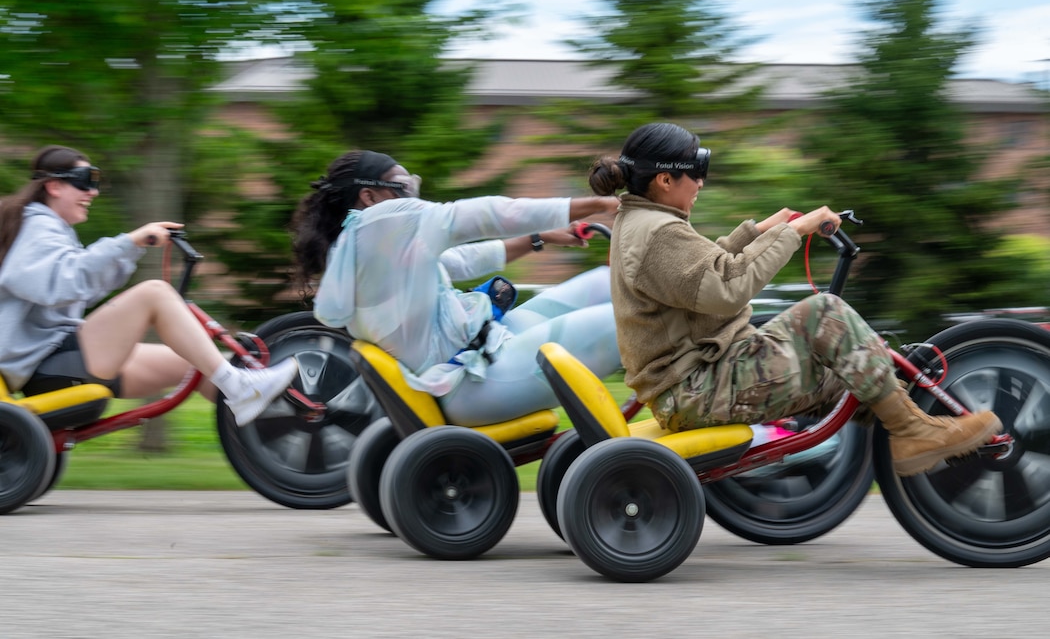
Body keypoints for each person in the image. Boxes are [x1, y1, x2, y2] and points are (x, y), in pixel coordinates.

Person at [588, 122, 1001, 476]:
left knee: (852, 374)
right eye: (696, 172)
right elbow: (727, 287)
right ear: (664, 180)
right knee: (825, 314)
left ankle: (922, 432)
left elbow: (700, 270)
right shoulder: (659, 233)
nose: (700, 183)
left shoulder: (643, 221)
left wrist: (760, 231)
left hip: (697, 383)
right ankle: (916, 434)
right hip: (697, 389)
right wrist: (794, 231)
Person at [290, 149, 622, 427]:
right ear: (369, 195)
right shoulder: (384, 220)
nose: (412, 194)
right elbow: (489, 214)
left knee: (606, 283)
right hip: (476, 382)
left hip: (484, 354)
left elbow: (457, 262)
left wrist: (539, 238)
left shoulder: (359, 248)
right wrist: (596, 204)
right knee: (631, 317)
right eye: (403, 186)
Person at [0, 145, 298, 427]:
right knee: (153, 293)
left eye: (95, 183)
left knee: (200, 363)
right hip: (49, 366)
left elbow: (84, 287)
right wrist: (129, 241)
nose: (92, 192)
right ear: (54, 186)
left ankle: (281, 438)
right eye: (84, 182)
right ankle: (240, 387)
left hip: (62, 359)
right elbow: (63, 283)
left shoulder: (52, 230)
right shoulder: (37, 227)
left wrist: (130, 248)